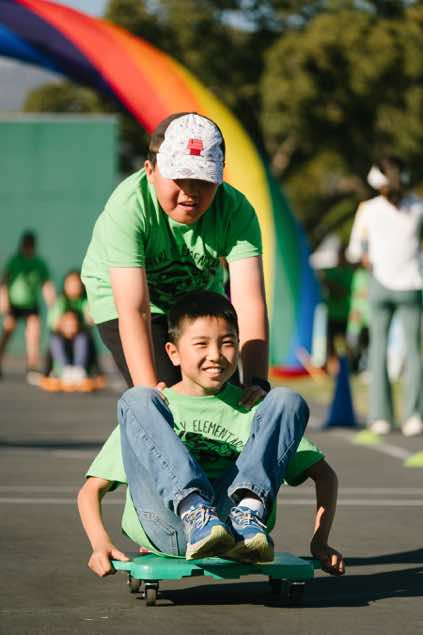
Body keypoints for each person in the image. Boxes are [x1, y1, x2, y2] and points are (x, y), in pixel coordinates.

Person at [78, 291, 344, 576]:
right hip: (169, 526)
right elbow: (91, 490)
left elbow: (325, 476)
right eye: (201, 344)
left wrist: (320, 542)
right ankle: (194, 511)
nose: (215, 355)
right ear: (173, 353)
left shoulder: (254, 408)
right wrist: (100, 543)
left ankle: (249, 510)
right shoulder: (154, 411)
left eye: (227, 343)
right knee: (137, 398)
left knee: (286, 399)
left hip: (236, 531)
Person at [81, 112, 268, 406]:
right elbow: (135, 309)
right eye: (179, 177)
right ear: (150, 171)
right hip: (125, 299)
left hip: (196, 293)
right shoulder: (129, 208)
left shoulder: (235, 211)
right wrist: (148, 394)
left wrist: (257, 383)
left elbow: (248, 303)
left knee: (227, 398)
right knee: (167, 398)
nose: (190, 190)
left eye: (203, 179)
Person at [347, 156, 423, 436]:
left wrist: (367, 258)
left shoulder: (367, 209)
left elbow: (354, 251)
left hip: (379, 285)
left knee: (378, 348)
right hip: (412, 285)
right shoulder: (418, 207)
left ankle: (380, 417)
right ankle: (414, 416)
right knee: (414, 351)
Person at [0, 230, 55, 382]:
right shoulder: (14, 261)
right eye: (26, 245)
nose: (28, 248)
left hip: (31, 304)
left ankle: (32, 366)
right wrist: (4, 302)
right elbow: (4, 282)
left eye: (31, 246)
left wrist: (52, 304)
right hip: (14, 304)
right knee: (7, 333)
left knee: (33, 334)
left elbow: (46, 284)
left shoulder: (39, 263)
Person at [44, 270, 102, 381]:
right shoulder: (60, 301)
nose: (74, 287)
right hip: (62, 339)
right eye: (71, 284)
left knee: (83, 337)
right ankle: (65, 369)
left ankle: (80, 369)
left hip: (80, 337)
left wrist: (76, 325)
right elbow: (53, 324)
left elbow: (90, 320)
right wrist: (66, 325)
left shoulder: (85, 300)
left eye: (76, 284)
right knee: (54, 338)